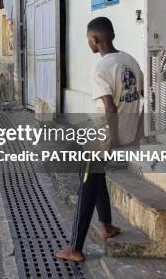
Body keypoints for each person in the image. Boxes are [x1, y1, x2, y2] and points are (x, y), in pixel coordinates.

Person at [55, 16, 144, 262]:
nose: (89, 43)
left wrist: (112, 140)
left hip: (105, 135)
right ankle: (106, 225)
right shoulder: (131, 61)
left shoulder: (100, 67)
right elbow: (139, 99)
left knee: (86, 185)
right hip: (127, 131)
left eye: (88, 39)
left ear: (95, 38)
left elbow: (109, 108)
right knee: (97, 177)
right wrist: (135, 133)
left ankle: (75, 249)